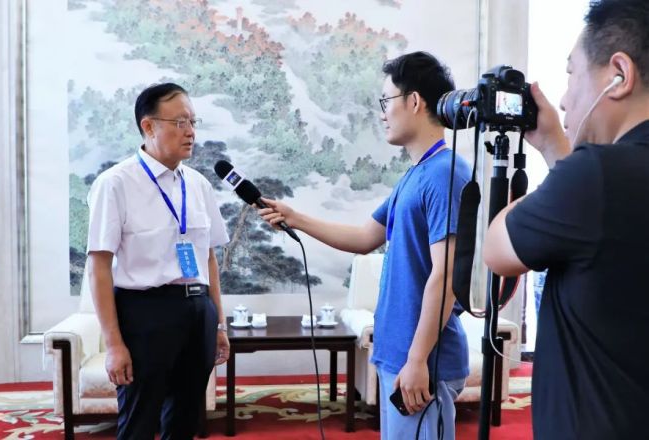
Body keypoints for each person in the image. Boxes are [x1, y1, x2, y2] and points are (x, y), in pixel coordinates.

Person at [258, 52, 470, 440]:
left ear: (414, 101)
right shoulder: (416, 174)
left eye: (386, 101)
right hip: (400, 353)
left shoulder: (445, 173)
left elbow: (446, 276)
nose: (382, 113)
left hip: (423, 361)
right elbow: (363, 238)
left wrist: (417, 359)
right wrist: (295, 217)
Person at [483, 1, 649, 438]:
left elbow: (497, 250)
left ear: (619, 74)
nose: (561, 99)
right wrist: (558, 150)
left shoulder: (596, 175)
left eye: (572, 73)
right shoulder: (597, 182)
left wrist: (564, 157)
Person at [86, 83, 230, 439]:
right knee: (139, 423)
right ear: (148, 126)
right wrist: (114, 344)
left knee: (185, 421)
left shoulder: (198, 184)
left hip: (198, 311)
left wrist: (219, 324)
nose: (191, 131)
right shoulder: (115, 183)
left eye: (193, 122)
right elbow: (99, 267)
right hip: (145, 314)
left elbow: (209, 257)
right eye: (180, 122)